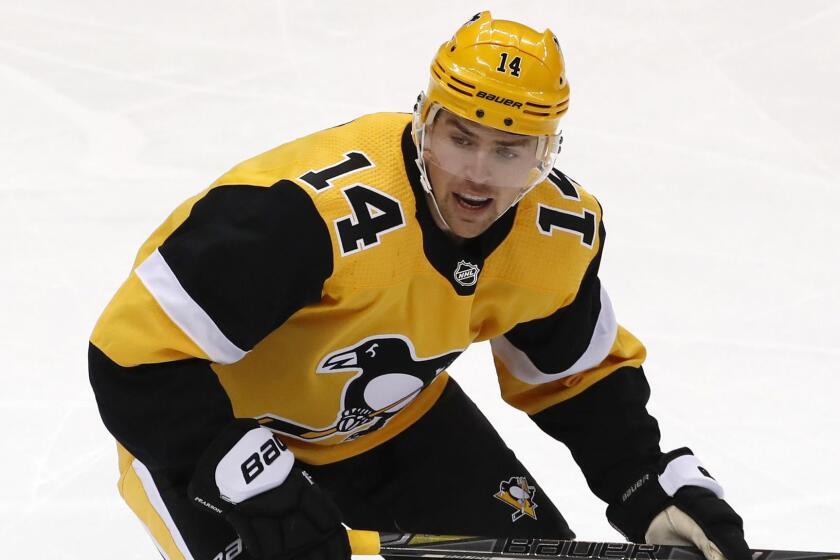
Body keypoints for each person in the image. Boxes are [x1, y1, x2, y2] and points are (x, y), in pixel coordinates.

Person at [88, 11, 751, 560]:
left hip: (397, 424)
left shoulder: (557, 234)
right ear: (424, 121)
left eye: (510, 150)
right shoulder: (302, 215)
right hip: (221, 440)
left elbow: (574, 376)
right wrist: (253, 481)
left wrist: (646, 482)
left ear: (546, 154)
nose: (478, 177)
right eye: (461, 139)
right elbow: (133, 356)